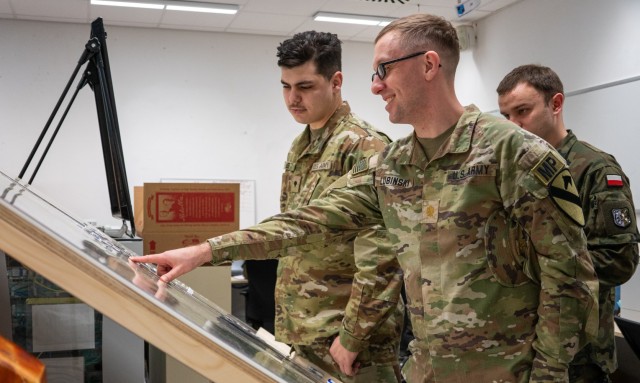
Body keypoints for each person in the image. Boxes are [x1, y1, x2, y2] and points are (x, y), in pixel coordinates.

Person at [133, 14, 600, 382]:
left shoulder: (512, 152)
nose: (374, 86)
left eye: (383, 70)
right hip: (426, 370)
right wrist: (204, 251)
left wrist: (549, 375)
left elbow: (570, 277)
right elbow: (305, 222)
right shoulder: (395, 166)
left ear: (429, 65)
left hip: (507, 373)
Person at [160, 31, 405, 383]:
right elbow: (291, 231)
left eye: (304, 86)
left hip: (348, 344)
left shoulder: (365, 147)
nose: (293, 98)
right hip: (301, 333)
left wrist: (353, 337)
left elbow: (382, 257)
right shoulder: (301, 146)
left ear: (336, 82)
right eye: (285, 86)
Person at [497, 64, 640, 383]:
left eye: (522, 111)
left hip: (577, 351)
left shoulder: (594, 169)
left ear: (556, 104)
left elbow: (618, 261)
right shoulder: (511, 170)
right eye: (505, 116)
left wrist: (536, 266)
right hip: (519, 343)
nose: (513, 124)